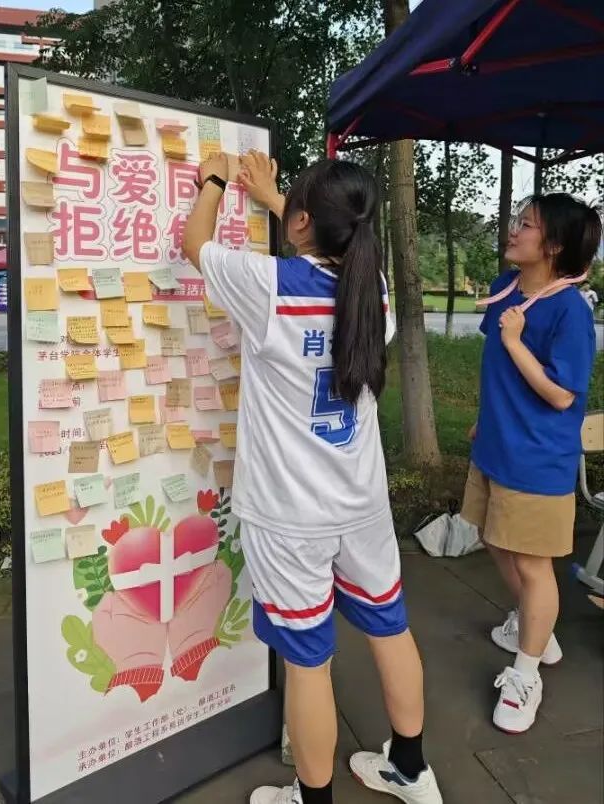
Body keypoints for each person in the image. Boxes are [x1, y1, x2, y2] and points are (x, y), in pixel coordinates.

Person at [183, 151, 442, 804]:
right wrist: (279, 200)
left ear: (302, 222)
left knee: (308, 664)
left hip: (291, 518)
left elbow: (195, 243)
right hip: (362, 506)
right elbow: (331, 242)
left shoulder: (270, 285)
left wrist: (214, 178)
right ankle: (412, 771)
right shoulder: (371, 289)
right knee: (389, 628)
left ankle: (312, 798)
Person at [463, 193, 601, 735]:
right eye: (517, 220)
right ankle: (536, 628)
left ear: (555, 245)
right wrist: (484, 417)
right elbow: (496, 366)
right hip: (495, 445)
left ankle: (526, 676)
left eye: (526, 224)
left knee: (532, 564)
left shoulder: (570, 311)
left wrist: (517, 341)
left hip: (537, 459)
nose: (513, 229)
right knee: (496, 540)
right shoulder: (507, 286)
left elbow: (562, 395)